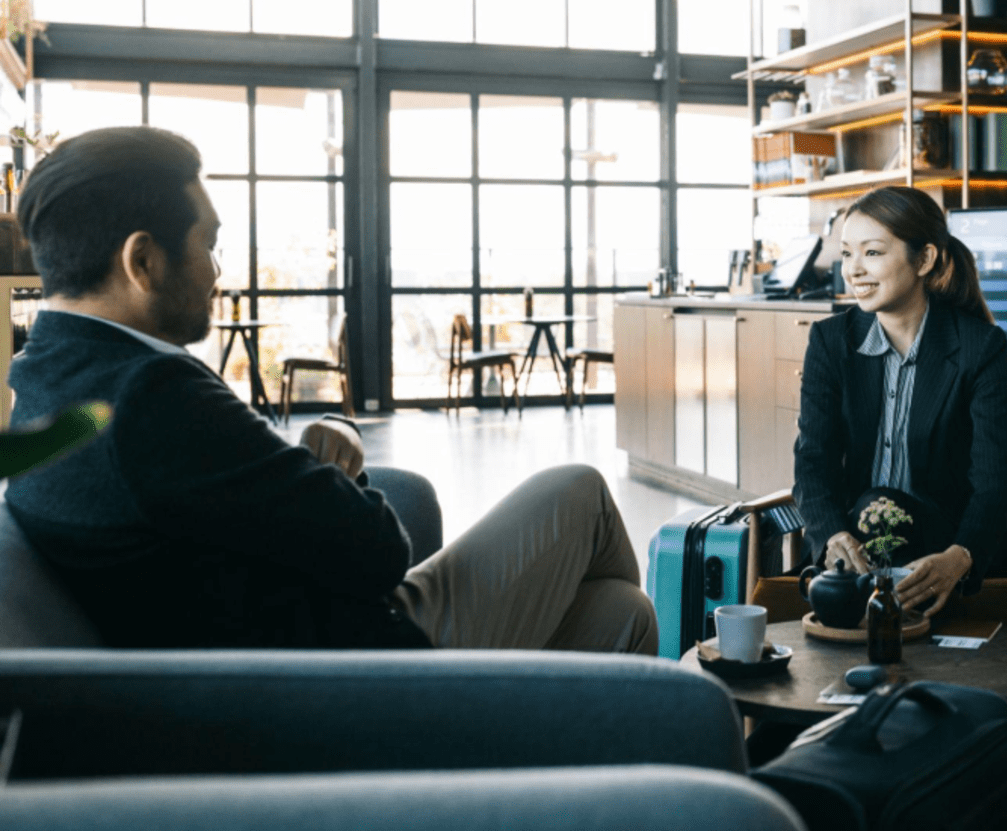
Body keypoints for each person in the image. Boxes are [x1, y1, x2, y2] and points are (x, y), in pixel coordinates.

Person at [4, 126, 657, 653]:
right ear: (142, 261)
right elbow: (377, 551)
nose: (218, 270)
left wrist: (324, 454)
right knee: (581, 491)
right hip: (363, 666)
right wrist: (334, 472)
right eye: (209, 243)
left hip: (294, 653)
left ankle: (593, 741)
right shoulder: (153, 393)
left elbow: (230, 502)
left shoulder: (39, 374)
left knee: (621, 614)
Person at [791, 185, 1007, 617]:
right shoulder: (829, 342)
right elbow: (813, 462)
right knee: (869, 511)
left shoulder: (979, 347)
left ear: (925, 259)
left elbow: (998, 482)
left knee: (880, 504)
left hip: (944, 546)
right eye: (846, 254)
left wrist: (960, 556)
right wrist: (832, 537)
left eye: (872, 253)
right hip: (855, 549)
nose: (853, 270)